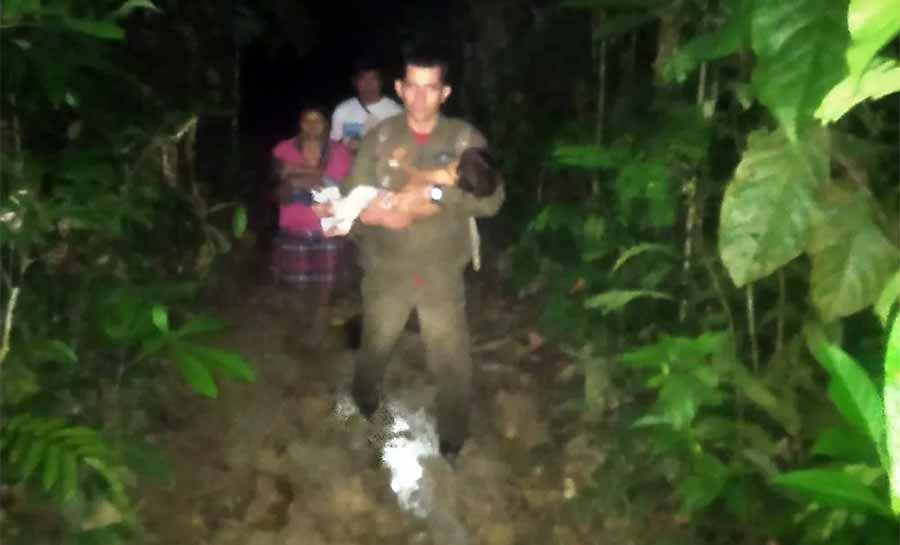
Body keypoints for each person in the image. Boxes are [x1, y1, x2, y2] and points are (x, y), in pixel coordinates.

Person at [338, 44, 505, 462]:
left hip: (440, 271)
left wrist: (435, 195)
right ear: (399, 88)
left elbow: (491, 200)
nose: (420, 97)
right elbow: (349, 195)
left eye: (430, 88)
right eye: (412, 87)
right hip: (386, 269)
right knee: (375, 346)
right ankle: (364, 409)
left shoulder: (465, 139)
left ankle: (452, 440)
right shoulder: (380, 137)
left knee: (451, 359)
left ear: (444, 92)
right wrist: (374, 216)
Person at [270, 106, 352, 349]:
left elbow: (336, 186)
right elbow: (276, 185)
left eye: (318, 120)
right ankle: (297, 333)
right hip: (293, 228)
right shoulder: (283, 148)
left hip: (327, 228)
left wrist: (295, 175)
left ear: (326, 124)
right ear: (300, 123)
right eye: (308, 120)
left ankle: (314, 342)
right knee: (295, 285)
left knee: (325, 287)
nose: (313, 125)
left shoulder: (339, 152)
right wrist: (311, 177)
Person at [330, 58, 403, 151]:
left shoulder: (396, 112)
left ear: (381, 82)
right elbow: (334, 145)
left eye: (373, 78)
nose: (368, 83)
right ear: (355, 82)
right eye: (363, 78)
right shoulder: (342, 110)